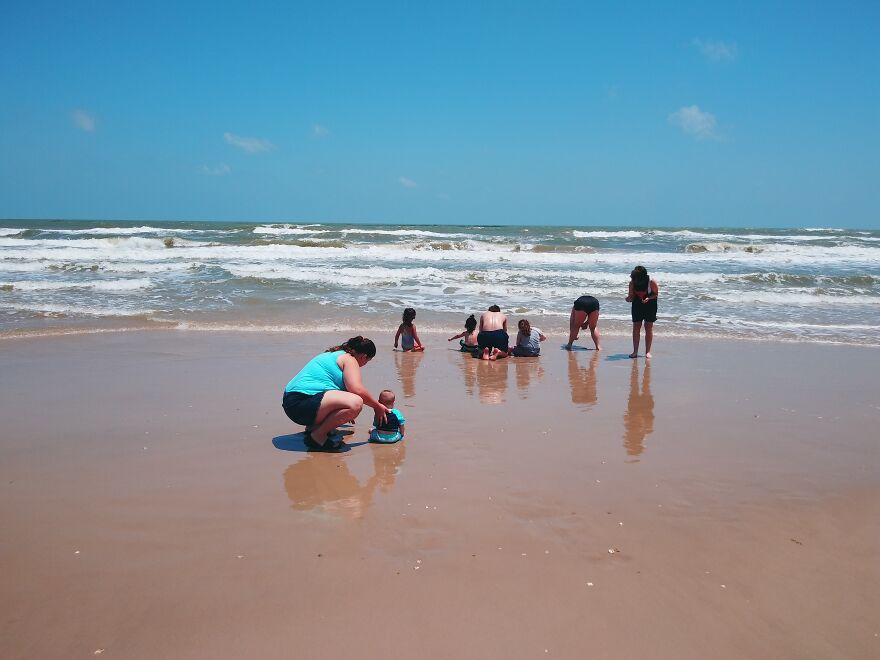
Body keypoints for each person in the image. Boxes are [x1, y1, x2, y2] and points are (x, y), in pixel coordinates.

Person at [282, 336, 389, 452]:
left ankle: (313, 429)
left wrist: (343, 413)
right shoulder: (350, 359)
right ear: (364, 356)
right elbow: (356, 389)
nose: (364, 364)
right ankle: (317, 437)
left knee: (350, 403)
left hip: (292, 403)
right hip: (301, 402)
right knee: (356, 403)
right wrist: (377, 406)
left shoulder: (335, 354)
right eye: (367, 361)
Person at [626, 265, 659, 359]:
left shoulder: (651, 282)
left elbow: (656, 294)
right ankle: (635, 351)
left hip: (650, 305)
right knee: (636, 327)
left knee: (648, 327)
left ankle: (648, 352)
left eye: (635, 277)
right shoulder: (632, 283)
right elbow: (631, 297)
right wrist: (629, 299)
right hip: (637, 305)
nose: (634, 279)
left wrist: (648, 298)